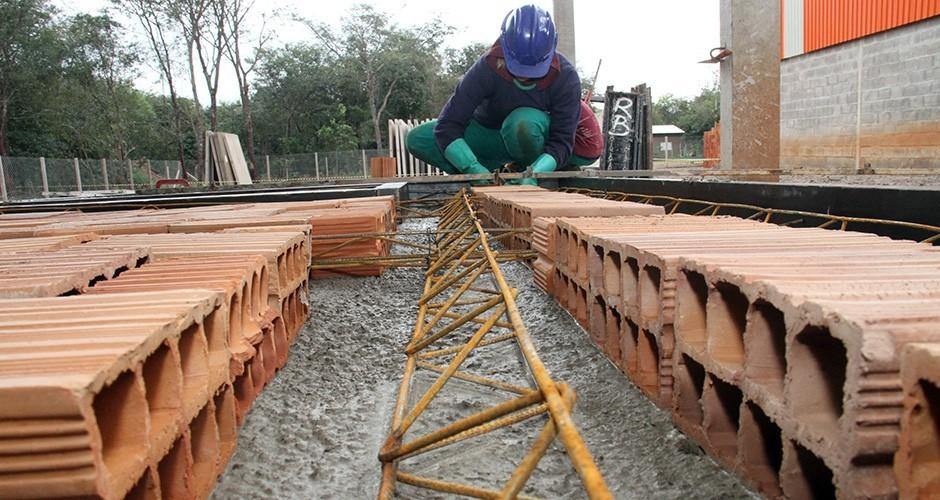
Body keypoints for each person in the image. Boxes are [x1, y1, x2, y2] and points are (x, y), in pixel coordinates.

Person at [406, 4, 602, 184]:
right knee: (418, 138)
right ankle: (486, 174)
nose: (525, 76)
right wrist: (472, 167)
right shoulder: (486, 67)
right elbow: (448, 126)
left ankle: (533, 173)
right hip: (490, 138)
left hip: (532, 142)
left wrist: (534, 173)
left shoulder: (565, 77)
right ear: (503, 46)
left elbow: (562, 141)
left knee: (523, 122)